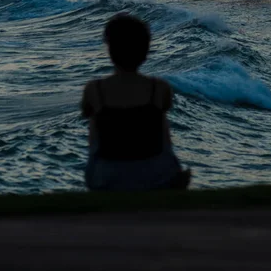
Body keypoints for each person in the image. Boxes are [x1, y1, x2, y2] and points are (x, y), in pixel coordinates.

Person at [81, 14, 190, 191]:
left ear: (110, 50)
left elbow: (85, 112)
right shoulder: (160, 88)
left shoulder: (94, 89)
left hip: (106, 178)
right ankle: (170, 170)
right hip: (158, 177)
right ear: (146, 52)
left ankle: (112, 172)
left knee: (95, 117)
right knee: (158, 117)